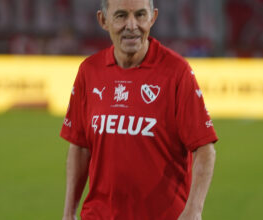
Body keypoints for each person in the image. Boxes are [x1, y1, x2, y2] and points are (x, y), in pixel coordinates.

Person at [60, 0, 218, 219]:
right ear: (103, 20)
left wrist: (193, 210)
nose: (132, 25)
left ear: (153, 18)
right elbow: (79, 147)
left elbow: (205, 150)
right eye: (121, 16)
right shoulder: (89, 72)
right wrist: (68, 213)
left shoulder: (176, 72)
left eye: (140, 15)